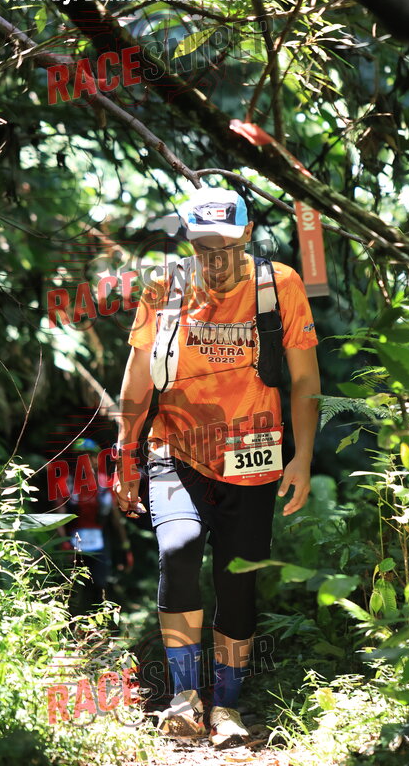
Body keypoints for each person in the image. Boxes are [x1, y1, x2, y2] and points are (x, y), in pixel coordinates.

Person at [113, 186, 320, 748]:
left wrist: (302, 457)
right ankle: (184, 698)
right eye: (203, 245)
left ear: (247, 234)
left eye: (226, 244)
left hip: (254, 456)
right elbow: (137, 377)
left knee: (237, 581)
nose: (215, 257)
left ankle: (226, 706)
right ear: (189, 241)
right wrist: (125, 452)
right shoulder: (165, 287)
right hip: (175, 449)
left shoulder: (280, 286)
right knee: (178, 551)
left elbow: (305, 380)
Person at [56, 437, 133, 613]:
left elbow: (115, 520)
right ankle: (71, 625)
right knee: (73, 589)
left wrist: (125, 548)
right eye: (81, 456)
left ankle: (100, 624)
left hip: (100, 542)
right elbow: (59, 517)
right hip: (73, 543)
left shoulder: (105, 484)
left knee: (100, 586)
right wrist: (64, 542)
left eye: (90, 456)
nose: (86, 461)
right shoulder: (65, 484)